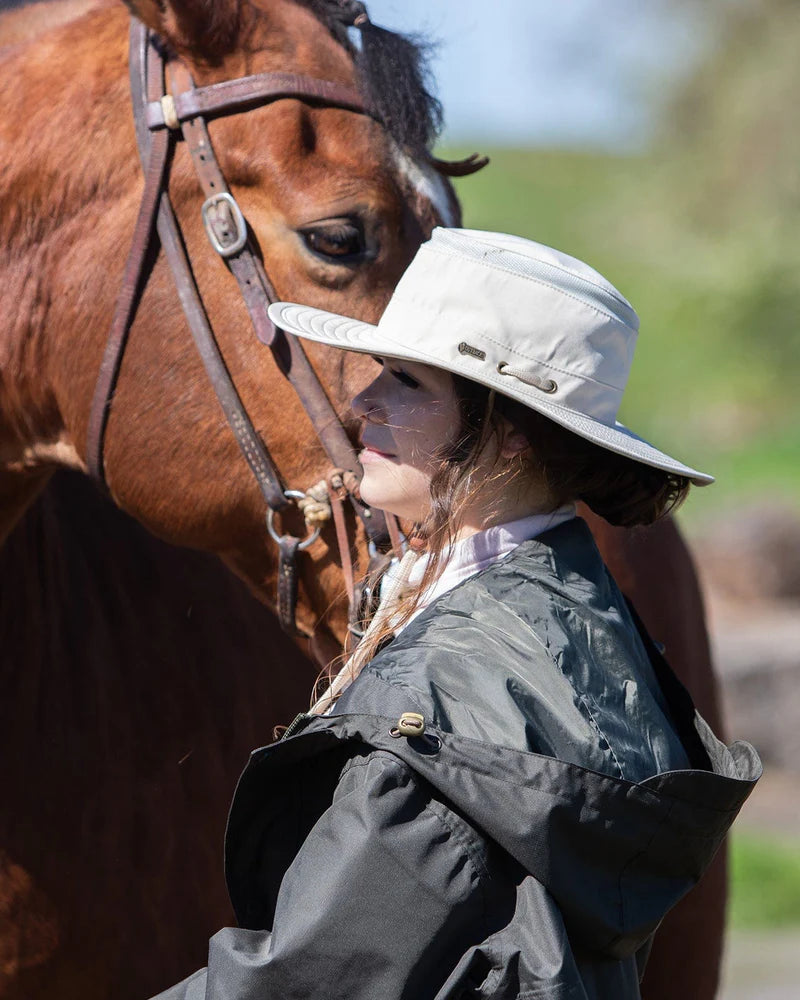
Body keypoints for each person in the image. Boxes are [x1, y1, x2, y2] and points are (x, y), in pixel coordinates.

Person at [154, 229, 759, 1000]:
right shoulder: (588, 625)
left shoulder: (452, 701)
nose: (359, 402)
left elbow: (308, 983)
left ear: (507, 432)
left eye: (406, 381)